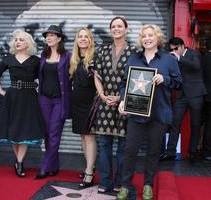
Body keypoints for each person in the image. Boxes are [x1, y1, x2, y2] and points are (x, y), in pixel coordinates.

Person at [117, 24, 182, 200]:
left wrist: (165, 78)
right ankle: (124, 185)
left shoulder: (169, 60)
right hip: (136, 113)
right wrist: (123, 100)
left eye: (150, 35)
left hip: (159, 114)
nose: (147, 38)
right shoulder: (133, 59)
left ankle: (148, 185)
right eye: (144, 35)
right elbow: (124, 83)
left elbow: (179, 83)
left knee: (153, 152)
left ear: (157, 38)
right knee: (130, 150)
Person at [0, 30, 45, 177]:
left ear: (28, 43)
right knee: (14, 131)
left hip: (29, 98)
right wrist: (0, 90)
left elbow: (43, 78)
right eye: (16, 40)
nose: (18, 42)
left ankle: (19, 162)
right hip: (13, 97)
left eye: (21, 40)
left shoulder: (35, 60)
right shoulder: (8, 59)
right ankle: (19, 161)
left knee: (25, 131)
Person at [93, 16, 137, 193]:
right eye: (113, 26)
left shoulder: (135, 51)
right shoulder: (102, 50)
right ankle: (104, 181)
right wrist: (102, 95)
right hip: (104, 104)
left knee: (123, 146)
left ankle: (120, 181)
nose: (116, 29)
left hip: (124, 104)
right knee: (104, 145)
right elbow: (97, 74)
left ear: (126, 29)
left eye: (120, 26)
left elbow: (136, 79)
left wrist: (120, 97)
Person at [35, 25, 72, 179]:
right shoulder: (43, 56)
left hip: (59, 100)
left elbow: (75, 74)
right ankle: (54, 166)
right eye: (47, 36)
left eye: (52, 35)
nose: (48, 38)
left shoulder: (68, 56)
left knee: (54, 133)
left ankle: (45, 167)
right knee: (47, 134)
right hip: (44, 99)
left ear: (59, 38)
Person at [162, 37, 206, 162]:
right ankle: (170, 152)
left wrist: (179, 58)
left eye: (176, 49)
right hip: (181, 95)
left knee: (195, 124)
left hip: (196, 94)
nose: (174, 51)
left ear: (182, 46)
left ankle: (193, 152)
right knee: (174, 122)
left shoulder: (194, 54)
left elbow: (196, 66)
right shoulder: (172, 57)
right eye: (172, 49)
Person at [70, 27, 97, 187]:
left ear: (90, 40)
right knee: (82, 136)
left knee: (90, 136)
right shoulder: (74, 58)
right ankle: (90, 167)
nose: (83, 39)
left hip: (91, 103)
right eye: (80, 36)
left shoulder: (95, 57)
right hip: (77, 103)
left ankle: (89, 172)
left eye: (86, 36)